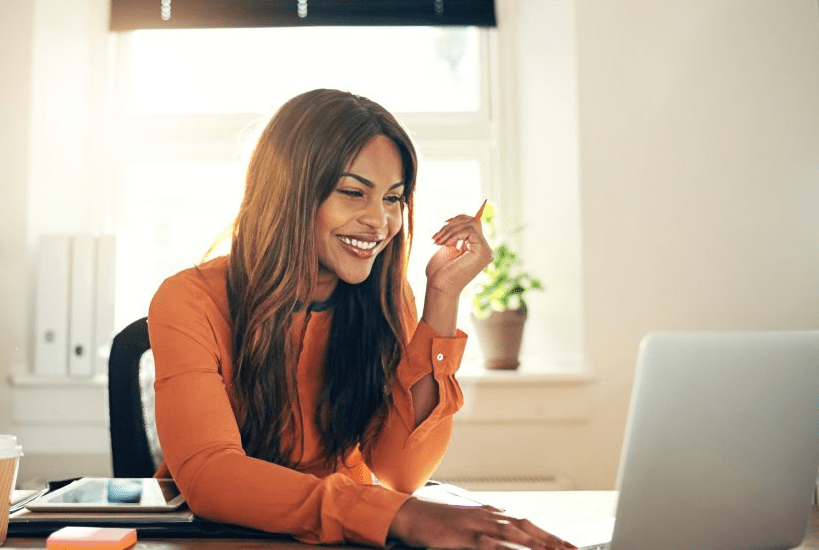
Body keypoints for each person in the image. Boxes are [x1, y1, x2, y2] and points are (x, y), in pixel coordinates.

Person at [148, 88, 575, 550]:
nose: (380, 221)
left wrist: (442, 299)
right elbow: (211, 474)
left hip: (345, 539)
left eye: (393, 199)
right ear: (288, 192)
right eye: (354, 193)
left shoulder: (389, 299)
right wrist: (395, 515)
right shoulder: (188, 300)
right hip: (223, 539)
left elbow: (400, 473)